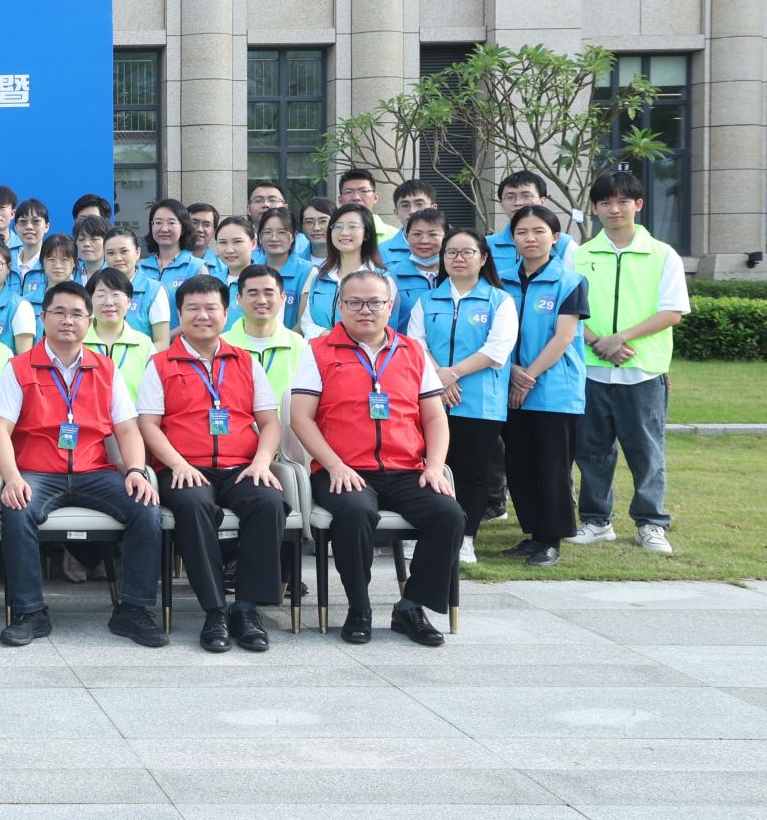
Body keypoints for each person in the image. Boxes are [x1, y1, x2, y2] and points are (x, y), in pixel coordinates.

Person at [287, 271, 463, 647]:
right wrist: (334, 464)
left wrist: (434, 466)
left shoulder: (412, 351)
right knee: (355, 512)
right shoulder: (319, 350)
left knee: (449, 514)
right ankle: (359, 608)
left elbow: (435, 418)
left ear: (390, 306)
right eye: (354, 302)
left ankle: (411, 606)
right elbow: (300, 417)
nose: (364, 310)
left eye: (374, 302)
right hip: (342, 469)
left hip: (406, 469)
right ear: (340, 306)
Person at [0, 280, 165, 648]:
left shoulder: (106, 369)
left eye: (76, 314)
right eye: (59, 312)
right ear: (43, 318)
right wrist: (12, 478)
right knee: (17, 507)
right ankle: (29, 612)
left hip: (93, 471)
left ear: (90, 321)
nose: (67, 320)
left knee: (145, 505)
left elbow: (127, 430)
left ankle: (132, 609)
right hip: (37, 472)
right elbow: (0, 430)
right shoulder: (19, 367)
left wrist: (136, 470)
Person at [137, 275, 290, 652]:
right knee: (193, 505)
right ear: (180, 314)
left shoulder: (246, 362)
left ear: (226, 313)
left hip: (241, 466)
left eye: (211, 308)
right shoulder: (160, 364)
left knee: (269, 501)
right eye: (193, 308)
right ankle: (215, 610)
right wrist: (177, 464)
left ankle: (247, 609)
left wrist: (262, 462)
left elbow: (270, 422)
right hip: (184, 467)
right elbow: (148, 425)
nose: (202, 315)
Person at [572, 172, 688, 555]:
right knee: (591, 451)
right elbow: (568, 311)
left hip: (644, 371)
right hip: (591, 370)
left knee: (647, 452)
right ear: (594, 208)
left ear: (638, 204)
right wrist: (598, 342)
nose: (614, 209)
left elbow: (672, 311)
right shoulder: (580, 255)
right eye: (605, 202)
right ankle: (596, 521)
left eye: (623, 201)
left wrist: (621, 338)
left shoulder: (663, 254)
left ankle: (651, 523)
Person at [407, 228, 515, 566]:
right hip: (432, 398)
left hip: (479, 401)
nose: (458, 258)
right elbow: (416, 344)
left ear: (483, 258)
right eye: (451, 252)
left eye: (467, 252)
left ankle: (466, 538)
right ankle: (427, 533)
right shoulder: (428, 300)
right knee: (429, 466)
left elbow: (496, 350)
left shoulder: (500, 300)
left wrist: (452, 374)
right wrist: (439, 377)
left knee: (472, 472)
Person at [498, 205, 588, 567]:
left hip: (554, 390)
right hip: (509, 384)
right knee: (519, 465)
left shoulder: (570, 281)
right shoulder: (499, 281)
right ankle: (533, 534)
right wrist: (511, 371)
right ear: (513, 239)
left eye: (539, 231)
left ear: (555, 238)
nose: (530, 238)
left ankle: (551, 539)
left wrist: (528, 376)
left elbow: (563, 337)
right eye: (522, 232)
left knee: (552, 467)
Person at [298, 205, 392, 338]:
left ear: (366, 234)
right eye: (338, 226)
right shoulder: (320, 278)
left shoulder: (382, 279)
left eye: (352, 226)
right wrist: (332, 338)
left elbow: (388, 327)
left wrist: (343, 341)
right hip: (322, 348)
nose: (344, 232)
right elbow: (306, 323)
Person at [227, 265, 305, 403]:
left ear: (282, 298)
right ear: (239, 299)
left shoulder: (301, 347)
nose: (262, 300)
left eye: (269, 293)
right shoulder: (221, 346)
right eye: (253, 293)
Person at [486, 170, 579, 279]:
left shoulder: (564, 245)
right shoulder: (487, 244)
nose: (518, 203)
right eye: (510, 197)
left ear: (542, 201)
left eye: (526, 196)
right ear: (501, 204)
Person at [85, 268, 157, 407]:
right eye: (101, 295)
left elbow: (153, 396)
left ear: (129, 301)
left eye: (116, 294)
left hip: (134, 420)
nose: (109, 302)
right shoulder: (77, 344)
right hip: (87, 420)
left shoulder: (144, 344)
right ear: (89, 302)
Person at [101, 227, 171, 345]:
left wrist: (134, 357)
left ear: (137, 253)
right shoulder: (97, 288)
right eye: (110, 253)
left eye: (124, 251)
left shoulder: (153, 290)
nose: (118, 258)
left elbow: (162, 343)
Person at [252, 207, 314, 330]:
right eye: (267, 232)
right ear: (260, 236)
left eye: (281, 232)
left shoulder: (307, 271)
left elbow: (302, 324)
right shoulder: (252, 270)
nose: (274, 238)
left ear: (293, 236)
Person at [388, 209, 447, 333]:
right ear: (407, 237)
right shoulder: (391, 277)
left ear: (446, 237)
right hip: (404, 344)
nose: (424, 241)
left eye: (432, 235)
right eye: (417, 234)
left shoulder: (456, 276)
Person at [142, 199, 203, 304]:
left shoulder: (196, 268)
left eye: (171, 223)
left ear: (183, 228)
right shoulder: (140, 269)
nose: (164, 229)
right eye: (158, 222)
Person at [378, 181, 438, 269]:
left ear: (434, 208)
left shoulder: (451, 247)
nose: (412, 211)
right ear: (396, 212)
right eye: (405, 205)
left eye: (419, 204)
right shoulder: (380, 252)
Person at [9, 199, 51, 295]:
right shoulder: (5, 263)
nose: (29, 227)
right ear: (15, 227)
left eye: (36, 221)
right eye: (23, 222)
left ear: (47, 227)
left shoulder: (52, 265)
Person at [299, 197, 335, 264]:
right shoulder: (295, 263)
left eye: (323, 221)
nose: (316, 228)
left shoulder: (350, 260)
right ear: (302, 227)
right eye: (309, 222)